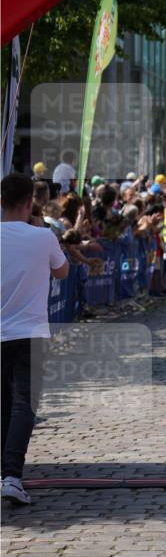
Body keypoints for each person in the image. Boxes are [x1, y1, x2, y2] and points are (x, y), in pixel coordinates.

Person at [1, 173, 69, 505]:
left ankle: (4, 473)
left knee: (3, 405)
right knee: (23, 405)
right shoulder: (43, 238)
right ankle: (11, 475)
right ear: (30, 202)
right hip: (30, 333)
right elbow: (63, 271)